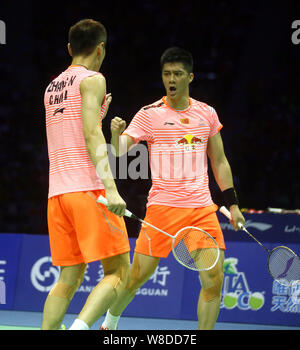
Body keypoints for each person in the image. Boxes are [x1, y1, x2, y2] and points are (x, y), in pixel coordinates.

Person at [100, 47, 245, 330]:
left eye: (178, 73)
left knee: (214, 281)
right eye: (167, 74)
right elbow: (118, 152)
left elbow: (219, 161)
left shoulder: (207, 114)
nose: (172, 79)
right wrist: (115, 133)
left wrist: (234, 204)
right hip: (162, 209)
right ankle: (110, 323)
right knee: (137, 278)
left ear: (190, 77)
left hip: (202, 210)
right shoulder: (149, 114)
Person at [42, 19, 130, 330]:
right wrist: (112, 188)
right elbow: (92, 134)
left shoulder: (52, 87)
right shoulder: (93, 79)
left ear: (70, 48)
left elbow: (73, 130)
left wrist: (99, 118)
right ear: (101, 48)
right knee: (120, 272)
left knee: (69, 277)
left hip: (58, 195)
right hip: (89, 190)